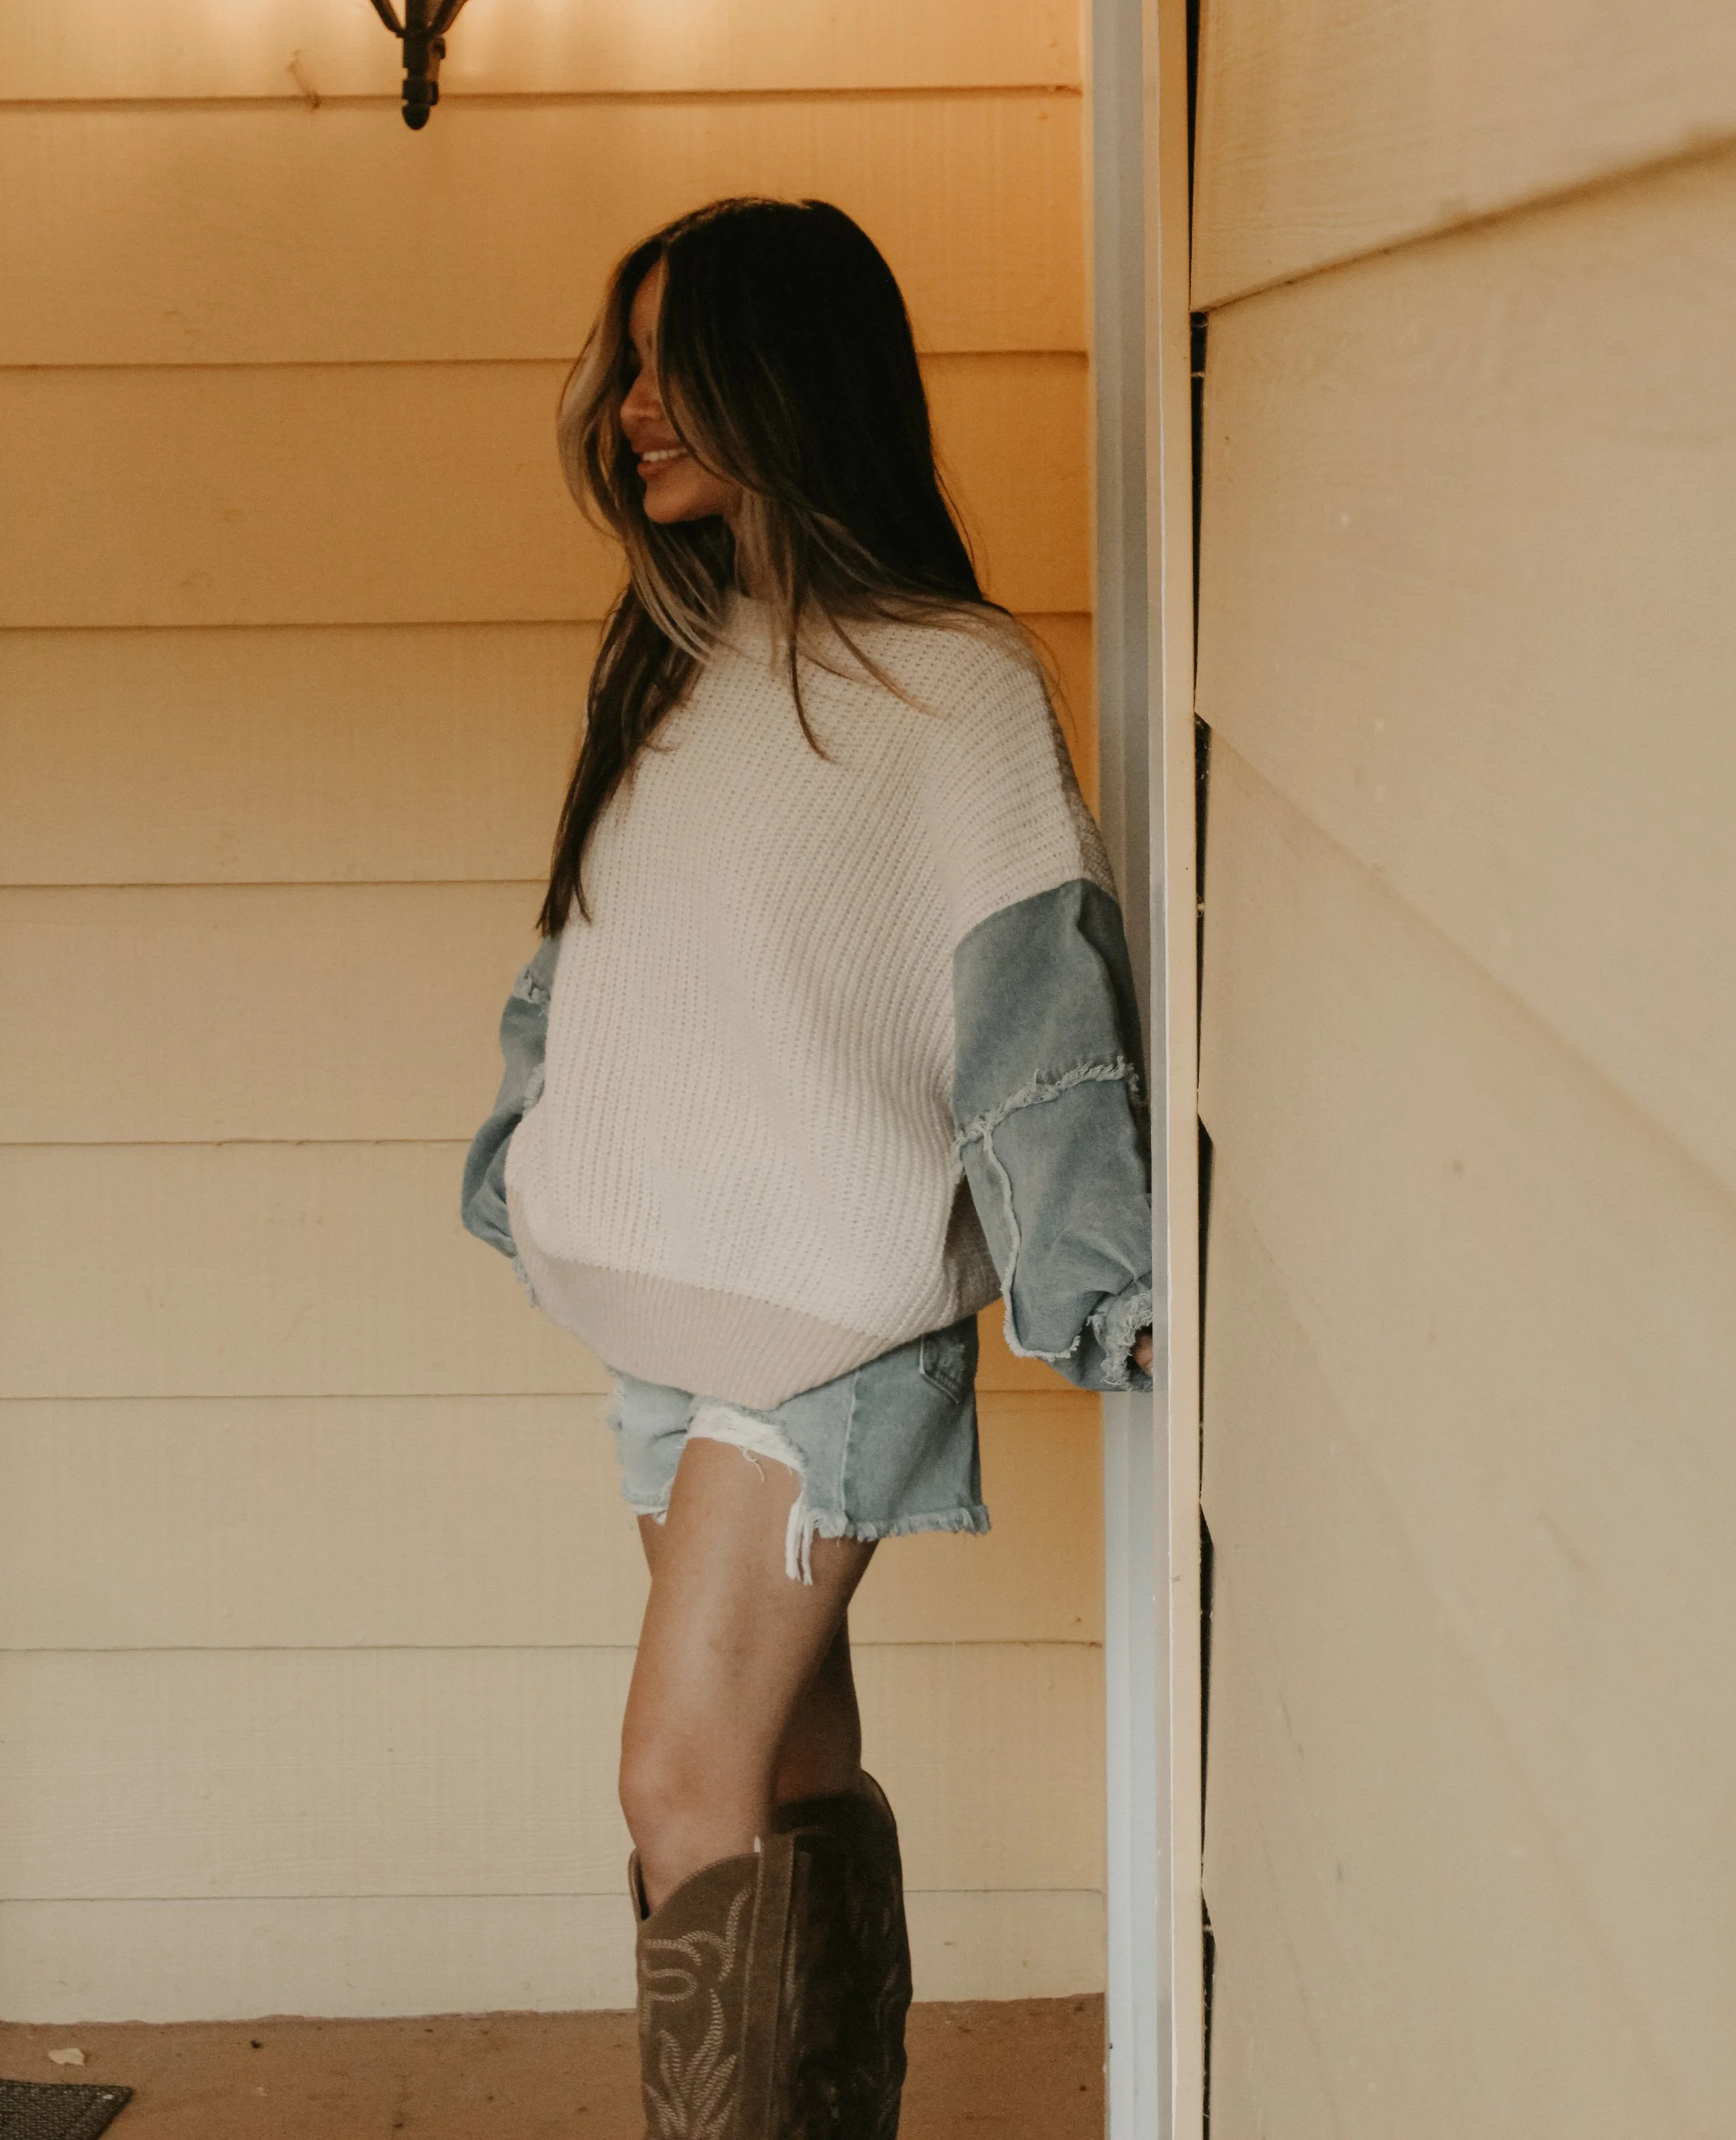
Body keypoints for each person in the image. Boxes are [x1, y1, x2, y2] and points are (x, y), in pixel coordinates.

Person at [462, 196, 1154, 2139]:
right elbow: (593, 960)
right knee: (776, 1772)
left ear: (797, 379)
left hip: (822, 1329)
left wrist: (1096, 1289)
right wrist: (530, 1165)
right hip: (664, 1309)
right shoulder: (669, 661)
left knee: (677, 1780)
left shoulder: (955, 686)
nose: (638, 406)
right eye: (631, 361)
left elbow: (1038, 1015)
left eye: (683, 361)